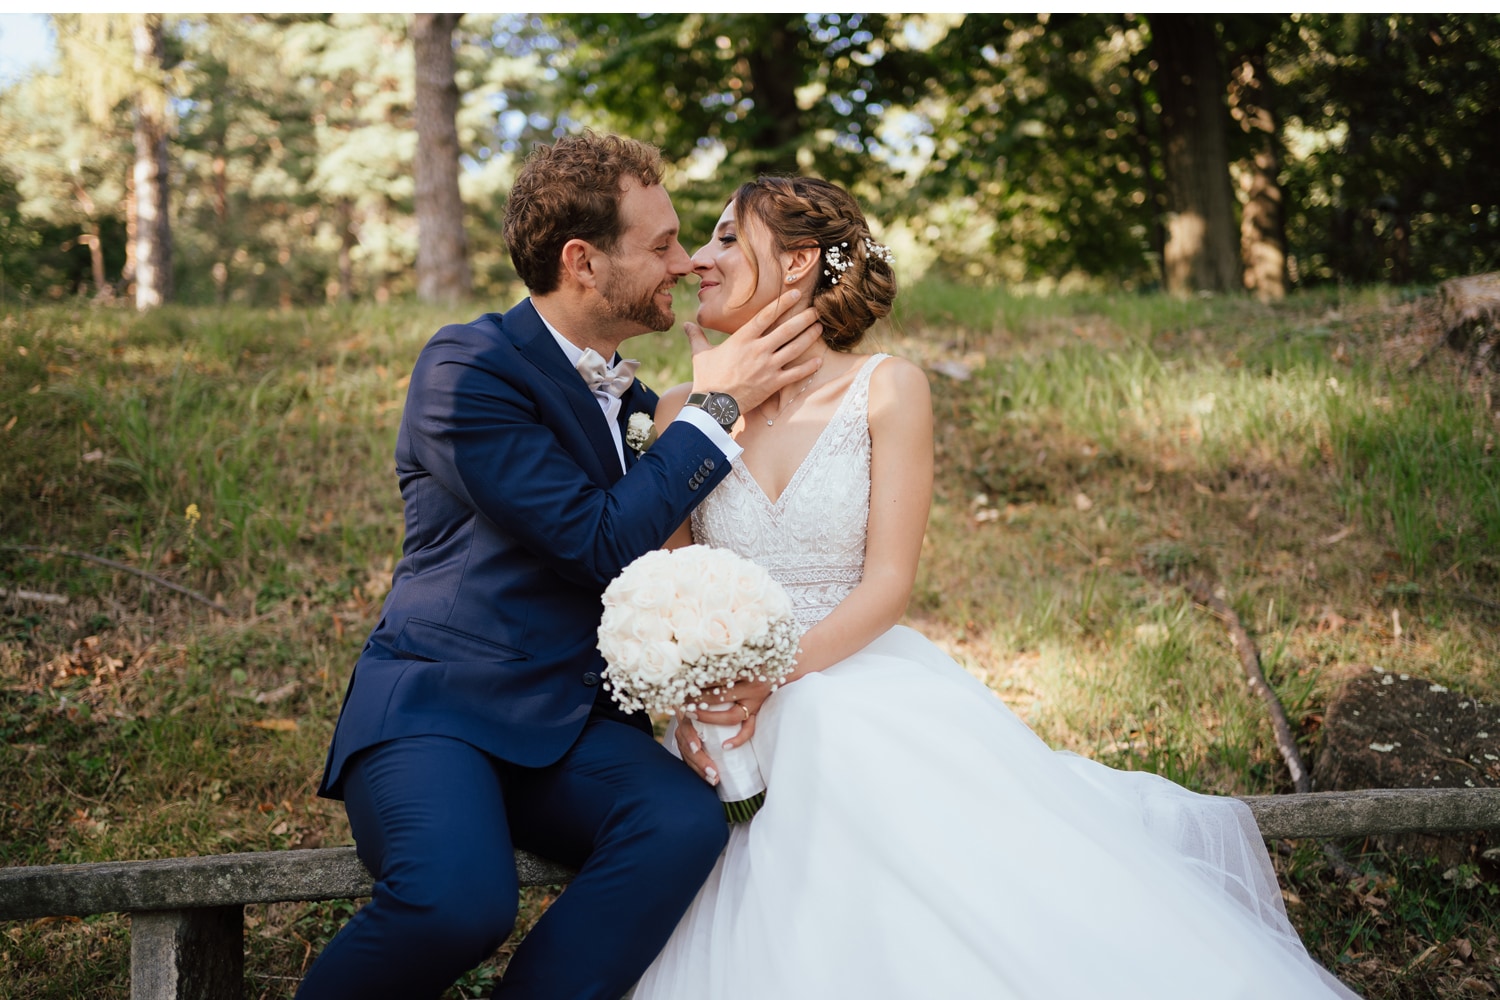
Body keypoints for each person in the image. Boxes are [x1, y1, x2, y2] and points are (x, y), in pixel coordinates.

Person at [630, 176, 1363, 999]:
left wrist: (776, 674)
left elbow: (889, 585)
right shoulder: (679, 410)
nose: (698, 258)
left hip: (847, 674)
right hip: (724, 714)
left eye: (728, 238)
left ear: (798, 262)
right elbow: (673, 586)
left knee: (833, 735)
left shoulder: (887, 387)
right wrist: (696, 704)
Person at [296, 133, 827, 1000]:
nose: (685, 262)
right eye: (662, 245)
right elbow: (596, 540)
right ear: (582, 262)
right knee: (457, 903)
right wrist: (721, 403)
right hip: (440, 712)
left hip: (572, 730)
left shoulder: (644, 407)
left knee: (683, 822)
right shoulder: (467, 369)